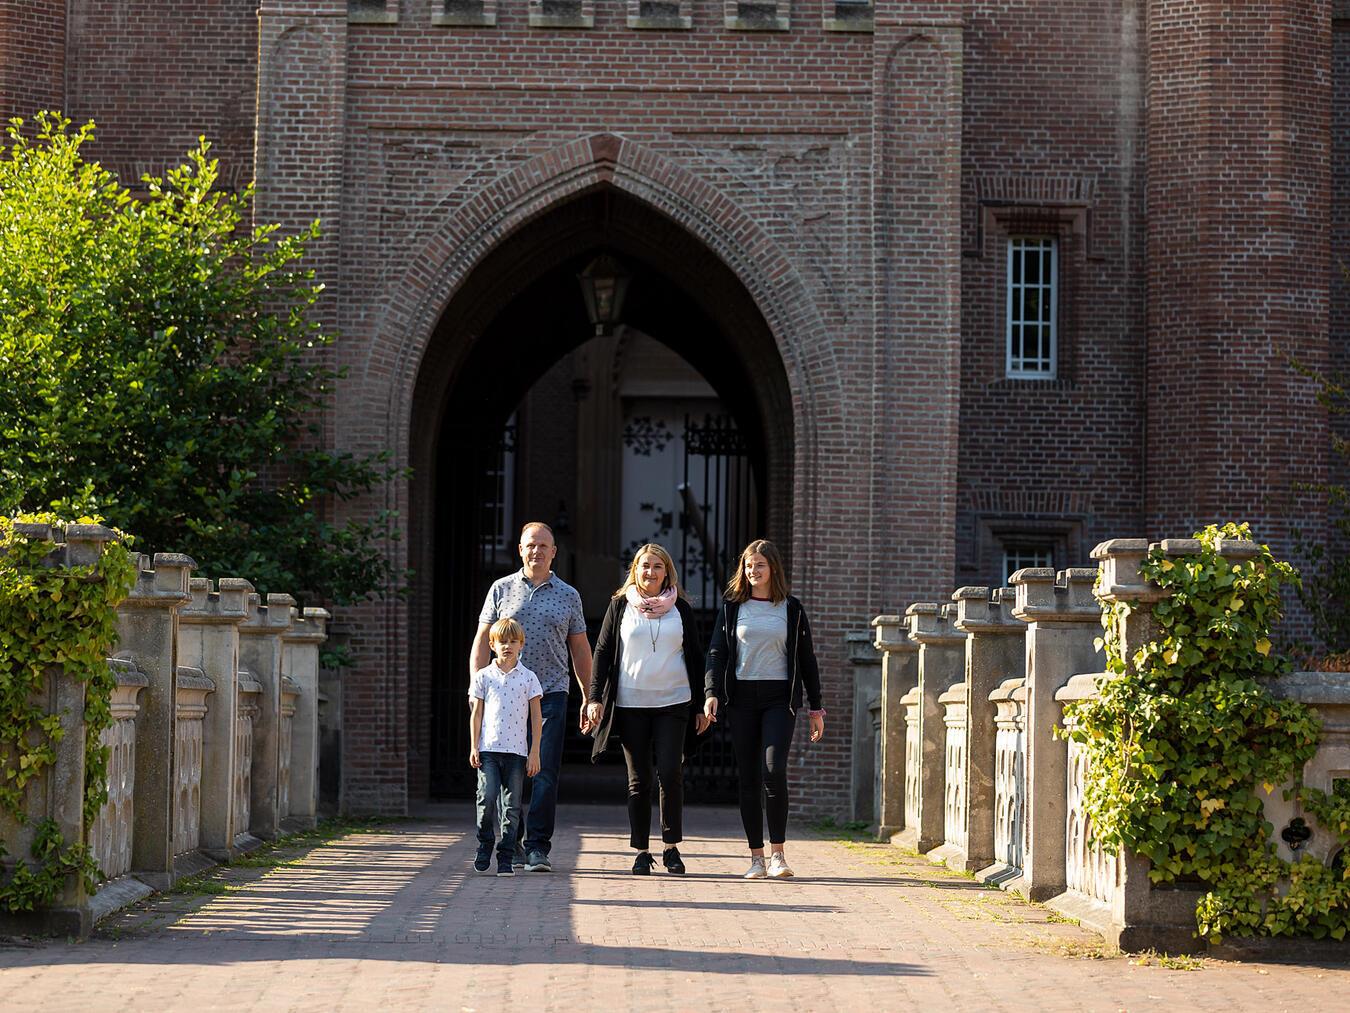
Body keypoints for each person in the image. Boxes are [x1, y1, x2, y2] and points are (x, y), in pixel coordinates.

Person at [470, 522, 592, 873]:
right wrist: (475, 689)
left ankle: (538, 846)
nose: (536, 551)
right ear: (520, 550)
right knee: (510, 770)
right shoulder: (501, 589)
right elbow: (482, 641)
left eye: (543, 546)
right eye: (530, 545)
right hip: (504, 695)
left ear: (554, 552)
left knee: (544, 770)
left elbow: (580, 647)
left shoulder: (569, 595)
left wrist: (588, 694)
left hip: (551, 691)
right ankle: (514, 841)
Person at [703, 539, 825, 880]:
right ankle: (756, 857)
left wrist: (816, 708)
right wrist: (711, 692)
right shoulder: (732, 607)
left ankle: (778, 856)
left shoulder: (792, 609)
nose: (753, 571)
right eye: (748, 565)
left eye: (759, 565)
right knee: (749, 778)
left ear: (773, 569)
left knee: (773, 771)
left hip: (778, 699)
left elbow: (807, 659)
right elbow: (717, 653)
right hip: (741, 698)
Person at [585, 544, 710, 875]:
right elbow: (602, 650)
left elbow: (696, 657)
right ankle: (642, 850)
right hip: (631, 704)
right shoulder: (619, 606)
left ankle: (671, 847)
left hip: (674, 702)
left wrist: (700, 703)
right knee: (638, 780)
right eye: (644, 566)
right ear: (635, 571)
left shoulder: (680, 608)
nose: (650, 572)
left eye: (657, 566)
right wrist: (594, 697)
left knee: (670, 772)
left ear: (666, 572)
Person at [468, 618, 543, 877]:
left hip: (517, 753)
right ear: (492, 644)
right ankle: (485, 841)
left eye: (513, 641)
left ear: (521, 645)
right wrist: (474, 746)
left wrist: (534, 752)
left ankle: (506, 856)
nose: (507, 646)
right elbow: (476, 714)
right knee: (486, 798)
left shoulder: (529, 678)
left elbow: (536, 716)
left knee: (511, 809)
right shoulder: (484, 677)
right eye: (502, 641)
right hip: (488, 749)